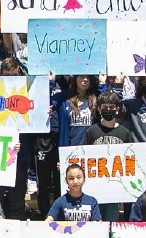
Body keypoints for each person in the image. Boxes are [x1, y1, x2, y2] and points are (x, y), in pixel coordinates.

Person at [82, 89, 134, 221]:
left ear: (117, 109)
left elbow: (132, 157)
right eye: (105, 107)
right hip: (95, 185)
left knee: (112, 220)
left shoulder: (125, 132)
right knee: (96, 220)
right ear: (99, 109)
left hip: (115, 187)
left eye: (112, 107)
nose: (108, 110)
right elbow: (82, 155)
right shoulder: (92, 131)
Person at [56, 75, 100, 147]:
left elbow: (107, 100)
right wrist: (51, 81)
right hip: (69, 148)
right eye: (82, 76)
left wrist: (102, 83)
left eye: (88, 78)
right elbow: (48, 101)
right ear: (75, 78)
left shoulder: (95, 99)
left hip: (90, 149)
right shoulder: (64, 99)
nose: (85, 79)